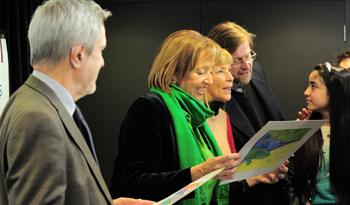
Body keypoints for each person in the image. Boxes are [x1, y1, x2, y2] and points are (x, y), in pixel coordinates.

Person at [0, 0, 154, 205]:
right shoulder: (38, 118)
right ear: (78, 55)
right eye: (101, 51)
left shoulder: (35, 102)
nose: (102, 61)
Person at [109, 30, 242, 204]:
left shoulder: (196, 115)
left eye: (210, 72)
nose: (209, 80)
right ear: (173, 74)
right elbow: (138, 185)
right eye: (201, 72)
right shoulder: (149, 108)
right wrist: (200, 171)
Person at [208, 21, 297, 205]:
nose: (247, 65)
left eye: (249, 56)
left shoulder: (257, 71)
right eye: (238, 60)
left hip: (282, 187)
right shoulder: (211, 97)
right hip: (246, 196)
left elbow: (277, 120)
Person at [294, 63, 350, 205]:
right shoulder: (305, 129)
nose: (306, 92)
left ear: (333, 91)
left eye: (313, 86)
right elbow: (293, 181)